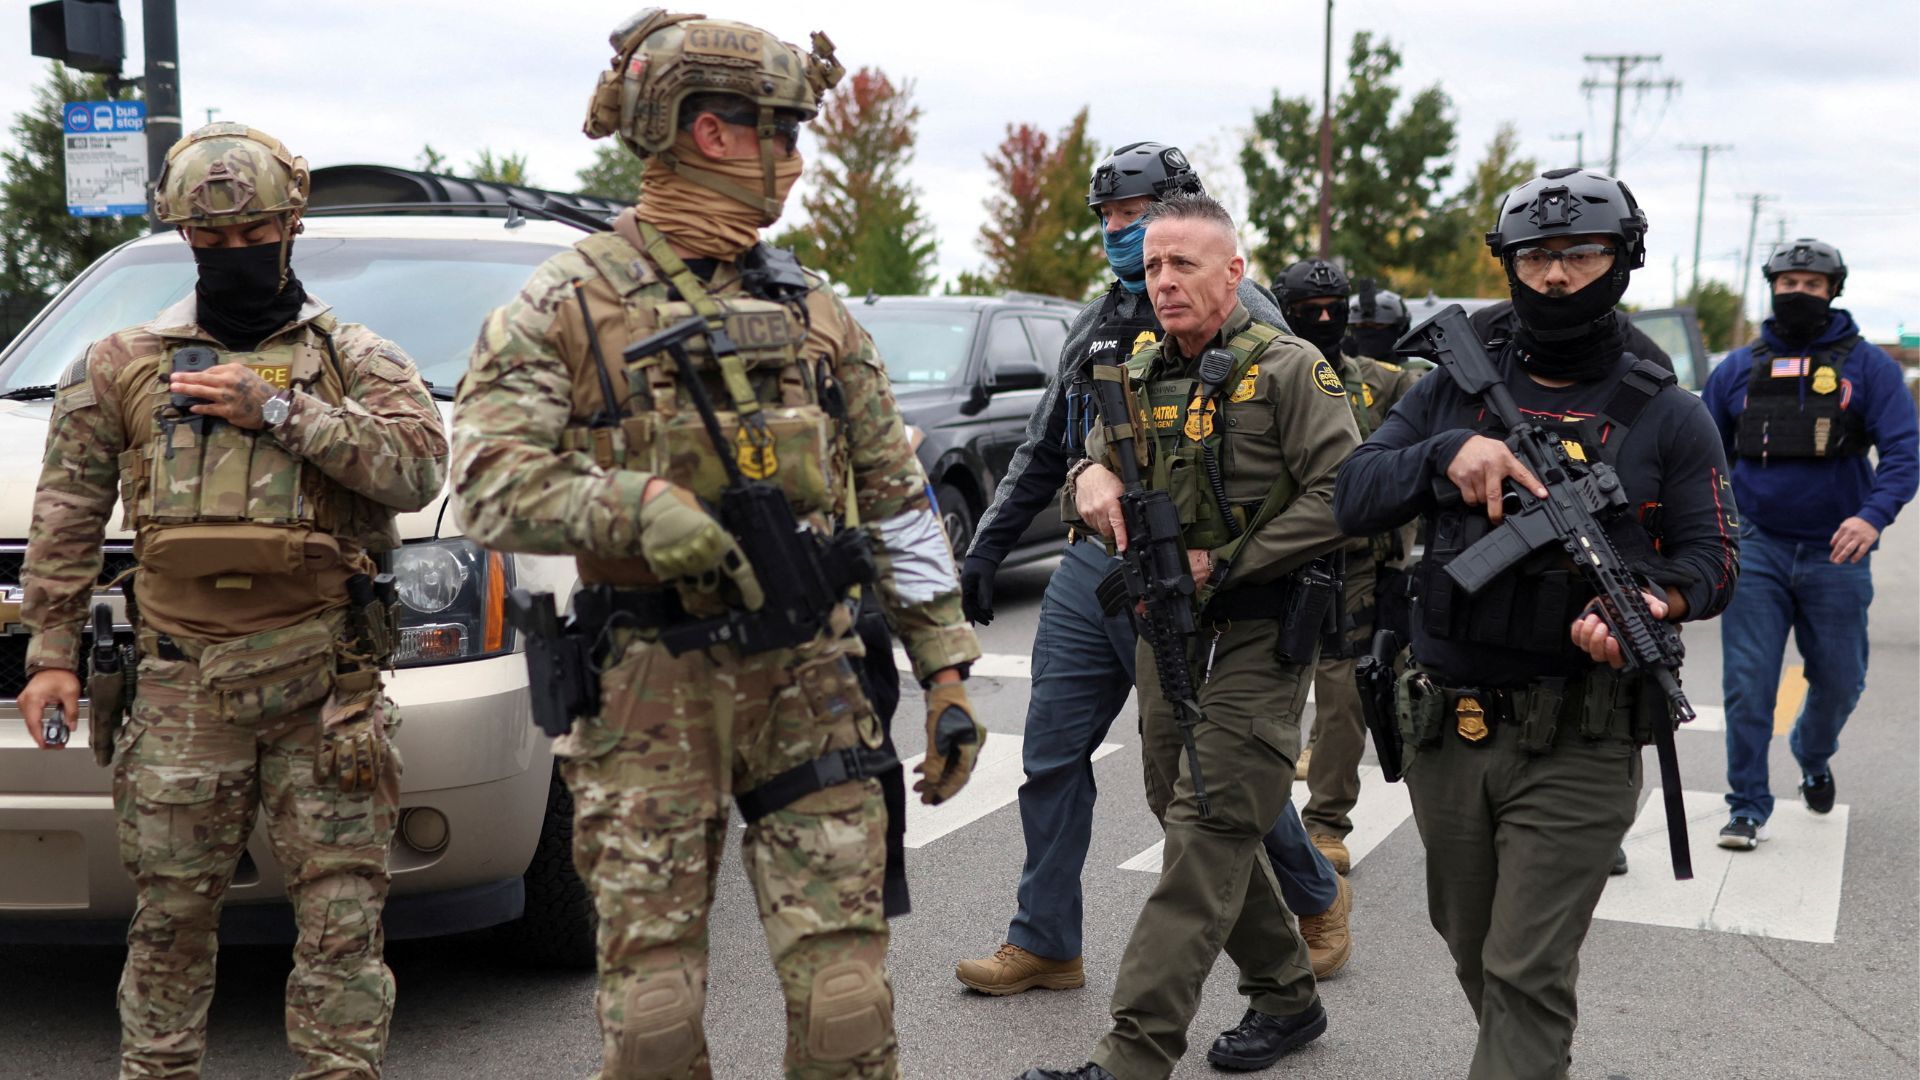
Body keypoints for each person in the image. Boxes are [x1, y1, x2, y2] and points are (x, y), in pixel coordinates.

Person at [449, 12, 982, 1078]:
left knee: (846, 1007)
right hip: (649, 689)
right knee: (648, 1026)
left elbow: (894, 495)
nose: (795, 158)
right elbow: (489, 482)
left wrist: (950, 670)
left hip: (811, 681)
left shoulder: (817, 313)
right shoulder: (564, 303)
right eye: (781, 131)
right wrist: (637, 513)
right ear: (709, 131)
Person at [16, 122, 447, 1078]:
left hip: (322, 686)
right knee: (169, 919)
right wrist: (51, 655)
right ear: (181, 236)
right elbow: (68, 516)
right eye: (209, 243)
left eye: (253, 237)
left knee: (341, 926)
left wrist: (280, 410)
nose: (233, 256)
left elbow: (417, 470)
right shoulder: (120, 363)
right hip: (181, 688)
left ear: (293, 223)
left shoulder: (355, 359)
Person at [1333, 167, 1740, 1079]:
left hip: (1581, 737)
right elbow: (1351, 494)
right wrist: (1448, 455)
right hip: (1447, 728)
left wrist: (1654, 599)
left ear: (1621, 263)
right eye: (1536, 256)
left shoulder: (1671, 416)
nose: (1555, 276)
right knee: (1474, 948)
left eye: (1580, 255)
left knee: (1524, 971)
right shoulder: (1446, 389)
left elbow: (1714, 562)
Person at [955, 144, 1350, 997]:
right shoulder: (1097, 320)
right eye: (1107, 220)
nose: (1119, 236)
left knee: (1209, 769)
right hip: (1093, 565)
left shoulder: (1244, 313)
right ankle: (1046, 940)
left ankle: (1314, 895)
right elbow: (1049, 442)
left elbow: (1297, 456)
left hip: (1195, 577)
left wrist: (1238, 563)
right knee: (1052, 755)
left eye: (1132, 217)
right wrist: (988, 545)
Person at [1703, 238, 1918, 849]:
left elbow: (1904, 453)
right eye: (1788, 283)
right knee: (1748, 683)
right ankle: (1746, 804)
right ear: (1772, 286)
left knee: (1842, 679)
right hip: (1758, 547)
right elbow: (1702, 457)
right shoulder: (1736, 369)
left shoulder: (1868, 368)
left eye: (1812, 285)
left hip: (1838, 552)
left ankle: (1811, 751)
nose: (1798, 293)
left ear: (1834, 291)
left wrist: (1872, 517)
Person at [1273, 263, 1425, 875]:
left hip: (1355, 568)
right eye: (1311, 307)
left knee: (1342, 701)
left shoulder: (1378, 383)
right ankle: (1257, 817)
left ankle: (1326, 822)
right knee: (1265, 698)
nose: (1328, 319)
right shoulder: (1264, 374)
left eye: (1337, 306)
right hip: (1278, 560)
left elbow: (1427, 394)